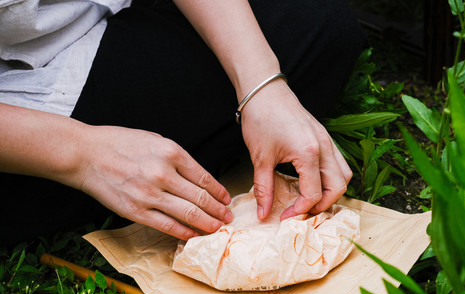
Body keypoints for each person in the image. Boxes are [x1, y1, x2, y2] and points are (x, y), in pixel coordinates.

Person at [0, 0, 366, 247]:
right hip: (16, 114)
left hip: (91, 22)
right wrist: (82, 153)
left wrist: (262, 86)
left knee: (318, 26)